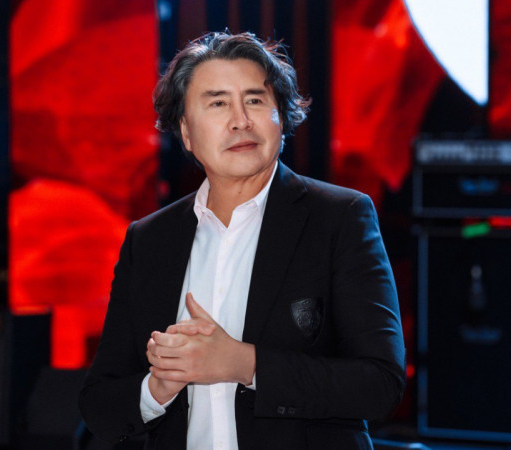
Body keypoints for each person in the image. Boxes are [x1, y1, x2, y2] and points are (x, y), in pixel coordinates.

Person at [79, 31, 406, 450]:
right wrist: (157, 387)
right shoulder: (149, 239)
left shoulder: (339, 218)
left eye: (254, 100)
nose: (240, 120)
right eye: (217, 103)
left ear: (281, 117)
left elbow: (380, 384)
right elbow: (99, 404)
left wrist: (243, 364)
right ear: (186, 132)